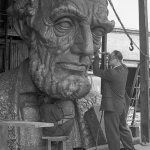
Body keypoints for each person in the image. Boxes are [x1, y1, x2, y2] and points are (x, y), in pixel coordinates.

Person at [0, 0, 115, 149]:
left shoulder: (94, 103)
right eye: (65, 24)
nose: (88, 48)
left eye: (97, 32)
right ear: (26, 28)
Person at [92, 50, 136, 150]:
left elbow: (96, 71)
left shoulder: (111, 73)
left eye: (110, 58)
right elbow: (122, 62)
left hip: (112, 108)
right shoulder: (125, 70)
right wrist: (109, 54)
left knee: (112, 133)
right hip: (121, 106)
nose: (108, 60)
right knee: (123, 130)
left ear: (116, 60)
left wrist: (97, 57)